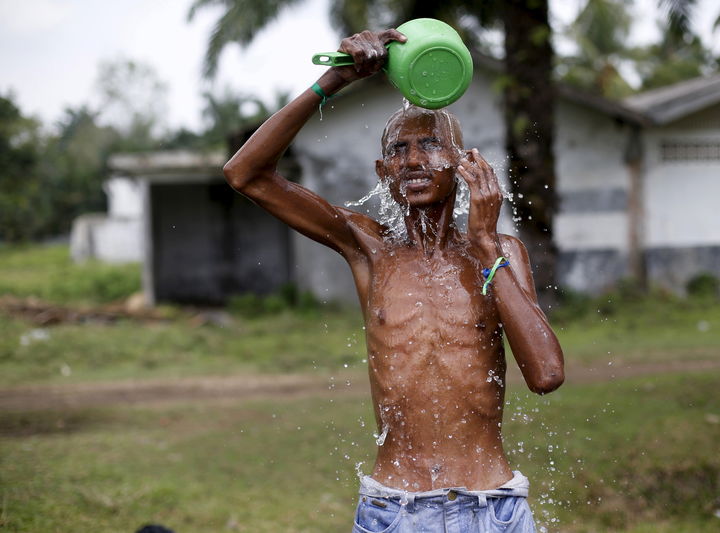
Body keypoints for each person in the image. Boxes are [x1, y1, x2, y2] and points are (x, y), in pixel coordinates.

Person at [223, 28, 564, 533]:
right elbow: (245, 174)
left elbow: (546, 375)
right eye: (399, 150)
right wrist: (333, 80)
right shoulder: (369, 249)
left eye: (430, 145)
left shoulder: (499, 253)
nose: (413, 160)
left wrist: (488, 245)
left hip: (494, 507)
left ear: (465, 165)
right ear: (384, 171)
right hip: (394, 511)